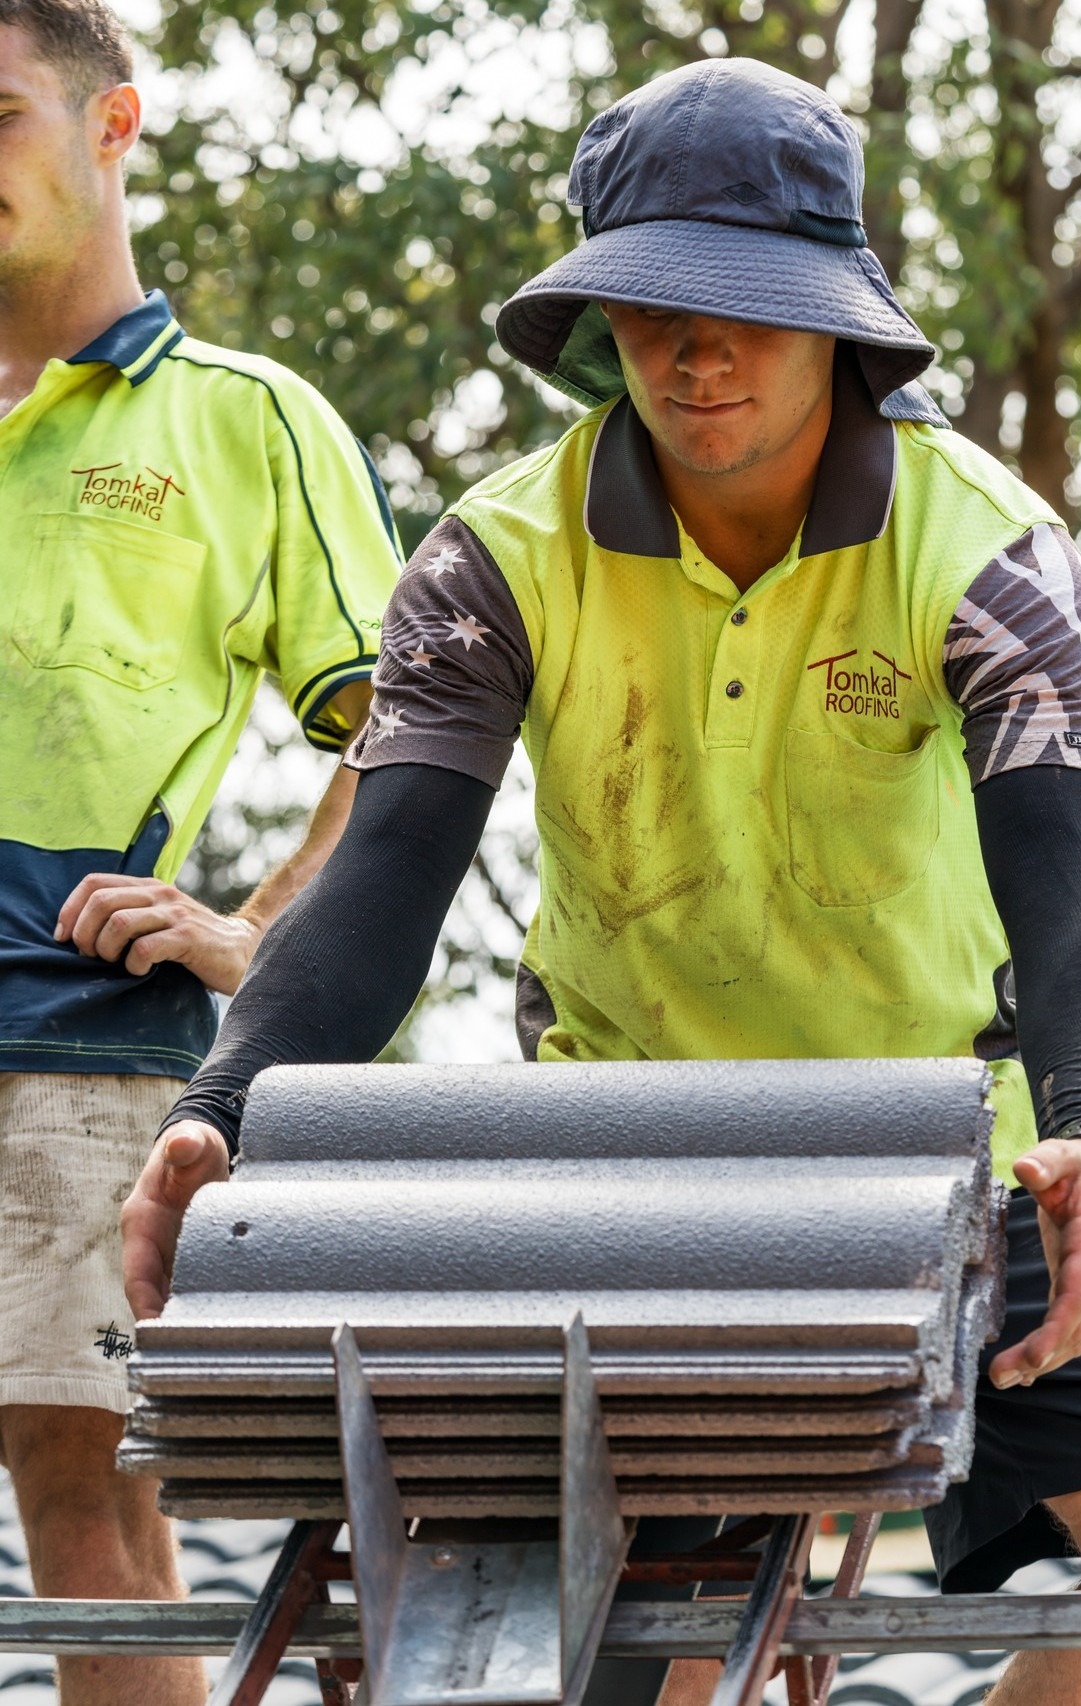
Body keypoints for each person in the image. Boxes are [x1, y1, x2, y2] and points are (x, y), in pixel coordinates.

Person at [123, 56, 1081, 1706]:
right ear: (598, 320)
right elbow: (384, 878)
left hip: (948, 1145)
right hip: (627, 1153)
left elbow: (1071, 894)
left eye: (745, 307)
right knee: (630, 1637)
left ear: (840, 321)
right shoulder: (494, 558)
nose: (696, 351)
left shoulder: (988, 553)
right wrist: (221, 1105)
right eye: (653, 306)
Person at [0, 1, 401, 1700]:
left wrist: (256, 938)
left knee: (92, 1524)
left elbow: (409, 740)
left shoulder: (249, 421)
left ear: (115, 127)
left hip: (77, 1050)